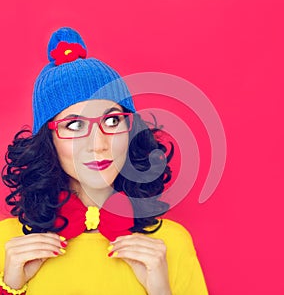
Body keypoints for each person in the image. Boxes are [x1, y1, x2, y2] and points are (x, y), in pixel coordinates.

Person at [0, 27, 208, 295]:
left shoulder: (170, 244)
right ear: (48, 140)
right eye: (74, 125)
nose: (98, 145)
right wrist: (10, 287)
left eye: (112, 121)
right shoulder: (9, 243)